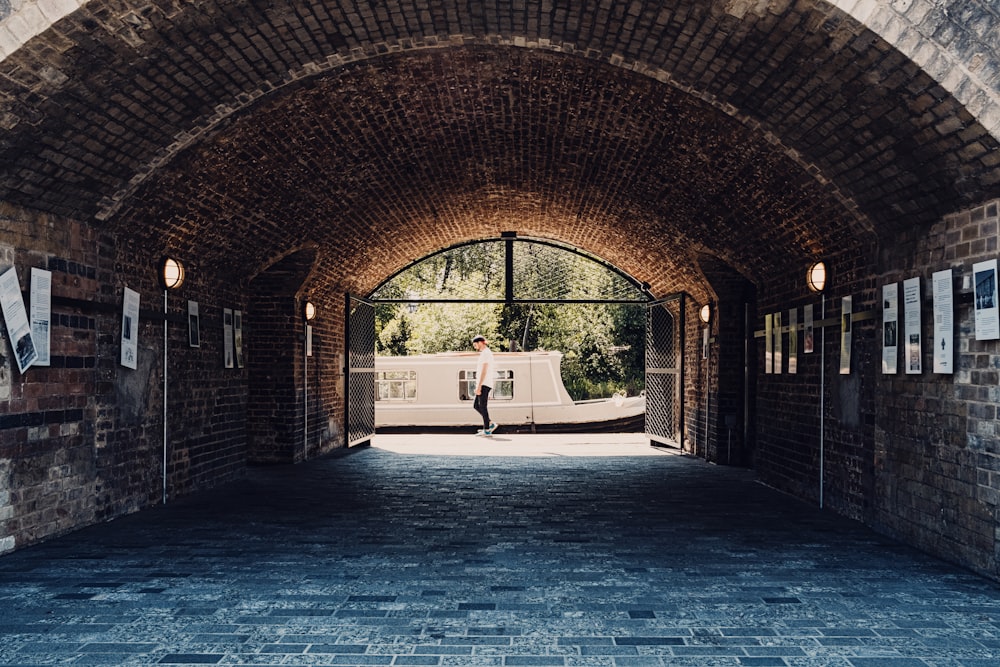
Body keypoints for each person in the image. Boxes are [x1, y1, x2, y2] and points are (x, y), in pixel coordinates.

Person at [471, 335, 497, 436]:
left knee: (482, 406)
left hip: (485, 383)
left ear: (480, 342)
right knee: (476, 405)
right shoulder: (484, 353)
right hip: (483, 383)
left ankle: (487, 429)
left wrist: (479, 386)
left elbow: (484, 370)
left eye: (475, 344)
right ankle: (490, 424)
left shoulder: (486, 353)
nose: (475, 347)